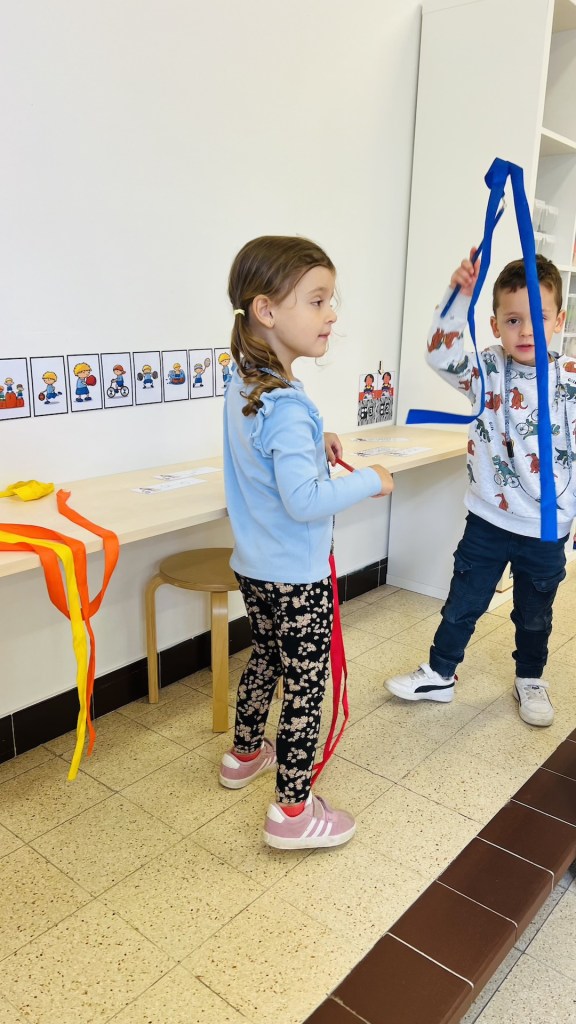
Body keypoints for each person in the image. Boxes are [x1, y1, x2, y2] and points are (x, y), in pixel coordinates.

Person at [220, 235, 393, 849]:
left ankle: (244, 754)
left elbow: (266, 455)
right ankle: (292, 813)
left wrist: (315, 443)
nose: (332, 315)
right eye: (317, 301)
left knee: (266, 657)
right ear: (266, 310)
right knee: (305, 685)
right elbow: (304, 501)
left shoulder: (247, 382)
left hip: (255, 566)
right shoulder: (286, 404)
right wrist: (371, 480)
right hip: (296, 575)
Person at [386, 250, 575, 728]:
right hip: (488, 518)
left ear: (559, 320)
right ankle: (440, 673)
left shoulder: (570, 380)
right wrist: (457, 297)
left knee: (534, 614)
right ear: (495, 325)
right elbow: (439, 354)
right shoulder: (488, 369)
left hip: (546, 527)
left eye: (538, 318)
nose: (526, 331)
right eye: (513, 320)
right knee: (463, 602)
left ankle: (530, 678)